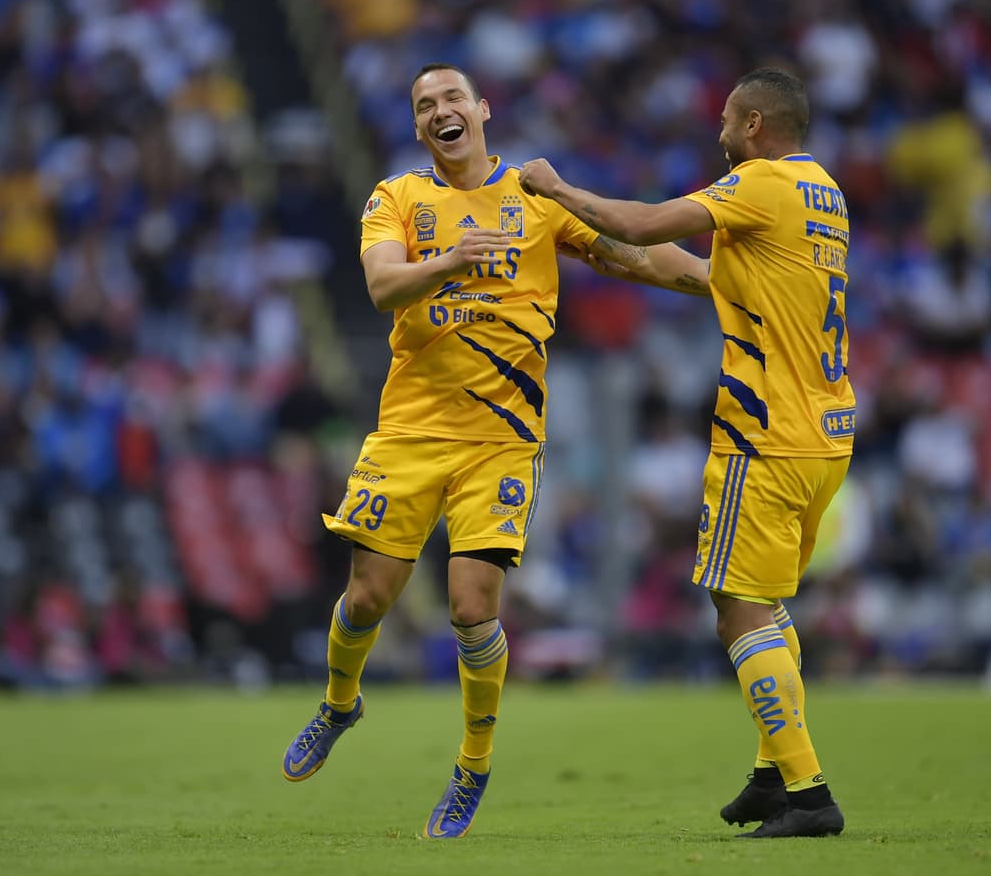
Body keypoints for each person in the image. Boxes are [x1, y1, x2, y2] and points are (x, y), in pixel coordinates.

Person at [279, 63, 704, 839]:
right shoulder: (396, 198)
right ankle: (340, 703)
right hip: (408, 431)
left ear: (481, 109)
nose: (440, 111)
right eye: (423, 105)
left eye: (451, 98)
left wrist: (722, 283)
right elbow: (380, 287)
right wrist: (450, 262)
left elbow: (628, 255)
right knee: (368, 598)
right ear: (418, 129)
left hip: (501, 441)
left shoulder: (535, 200)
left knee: (473, 608)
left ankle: (472, 765)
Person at [520, 67, 854, 838]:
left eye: (730, 122)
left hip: (765, 436)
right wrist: (606, 252)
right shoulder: (824, 195)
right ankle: (776, 773)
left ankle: (809, 795)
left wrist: (557, 188)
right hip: (824, 433)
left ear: (758, 126)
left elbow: (644, 225)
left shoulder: (760, 183)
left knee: (738, 613)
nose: (720, 134)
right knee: (758, 604)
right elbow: (710, 277)